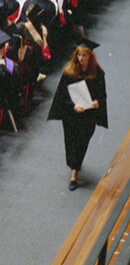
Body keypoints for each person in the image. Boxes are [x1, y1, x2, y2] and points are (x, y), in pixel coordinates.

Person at [46, 46, 108, 191]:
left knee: (82, 141)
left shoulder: (97, 74)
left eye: (84, 55)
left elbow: (102, 94)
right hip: (72, 115)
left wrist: (97, 102)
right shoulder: (70, 72)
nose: (81, 58)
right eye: (79, 55)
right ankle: (74, 164)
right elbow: (62, 95)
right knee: (71, 141)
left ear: (90, 57)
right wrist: (73, 105)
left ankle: (75, 172)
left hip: (88, 115)